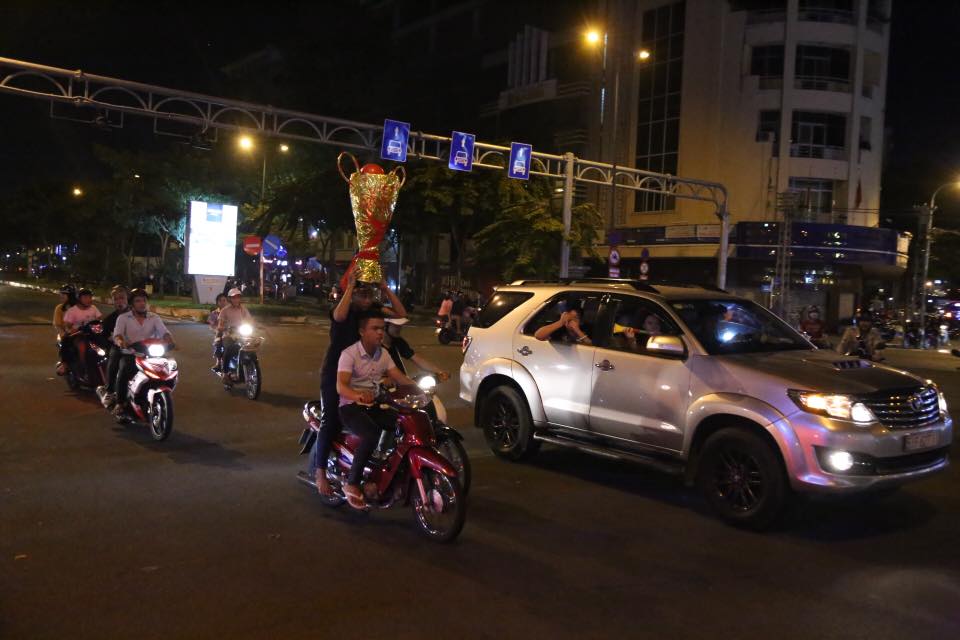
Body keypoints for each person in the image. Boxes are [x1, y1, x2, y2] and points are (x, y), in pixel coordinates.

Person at [309, 271, 407, 497]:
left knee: (385, 416)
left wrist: (385, 288)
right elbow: (339, 316)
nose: (366, 297)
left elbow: (401, 314)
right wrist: (350, 287)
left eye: (369, 293)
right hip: (336, 372)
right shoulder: (345, 309)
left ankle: (373, 464)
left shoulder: (374, 311)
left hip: (363, 372)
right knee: (330, 420)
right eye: (361, 293)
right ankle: (320, 473)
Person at [336, 311, 417, 509]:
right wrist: (358, 396)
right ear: (362, 331)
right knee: (371, 434)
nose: (380, 332)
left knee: (402, 424)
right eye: (375, 328)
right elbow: (341, 386)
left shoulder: (384, 354)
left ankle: (384, 470)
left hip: (374, 404)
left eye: (382, 328)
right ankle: (352, 483)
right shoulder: (349, 354)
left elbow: (399, 377)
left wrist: (420, 390)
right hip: (351, 406)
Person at [100, 288, 176, 410]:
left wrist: (170, 341)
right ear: (132, 304)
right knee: (124, 367)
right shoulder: (123, 318)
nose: (142, 303)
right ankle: (120, 402)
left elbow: (164, 332)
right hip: (131, 353)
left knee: (169, 367)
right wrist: (121, 342)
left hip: (151, 353)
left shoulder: (154, 317)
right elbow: (118, 334)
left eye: (144, 300)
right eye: (138, 301)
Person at [382, 317, 450, 380]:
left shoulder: (398, 342)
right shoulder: (377, 346)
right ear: (385, 325)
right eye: (396, 326)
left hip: (400, 381)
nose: (399, 328)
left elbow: (417, 359)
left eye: (400, 326)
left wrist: (439, 371)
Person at [62, 288, 103, 379]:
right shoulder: (72, 311)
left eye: (90, 297)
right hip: (79, 336)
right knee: (82, 348)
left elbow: (100, 320)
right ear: (79, 298)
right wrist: (72, 330)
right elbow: (67, 326)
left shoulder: (93, 308)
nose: (89, 299)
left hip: (93, 335)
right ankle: (84, 369)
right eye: (85, 297)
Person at [214, 288, 254, 374]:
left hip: (242, 334)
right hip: (229, 335)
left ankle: (250, 366)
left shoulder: (243, 309)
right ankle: (225, 373)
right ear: (230, 299)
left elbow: (250, 320)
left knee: (251, 347)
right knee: (229, 349)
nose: (236, 299)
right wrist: (224, 328)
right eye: (234, 297)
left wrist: (255, 325)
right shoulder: (225, 310)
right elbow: (220, 325)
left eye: (238, 297)